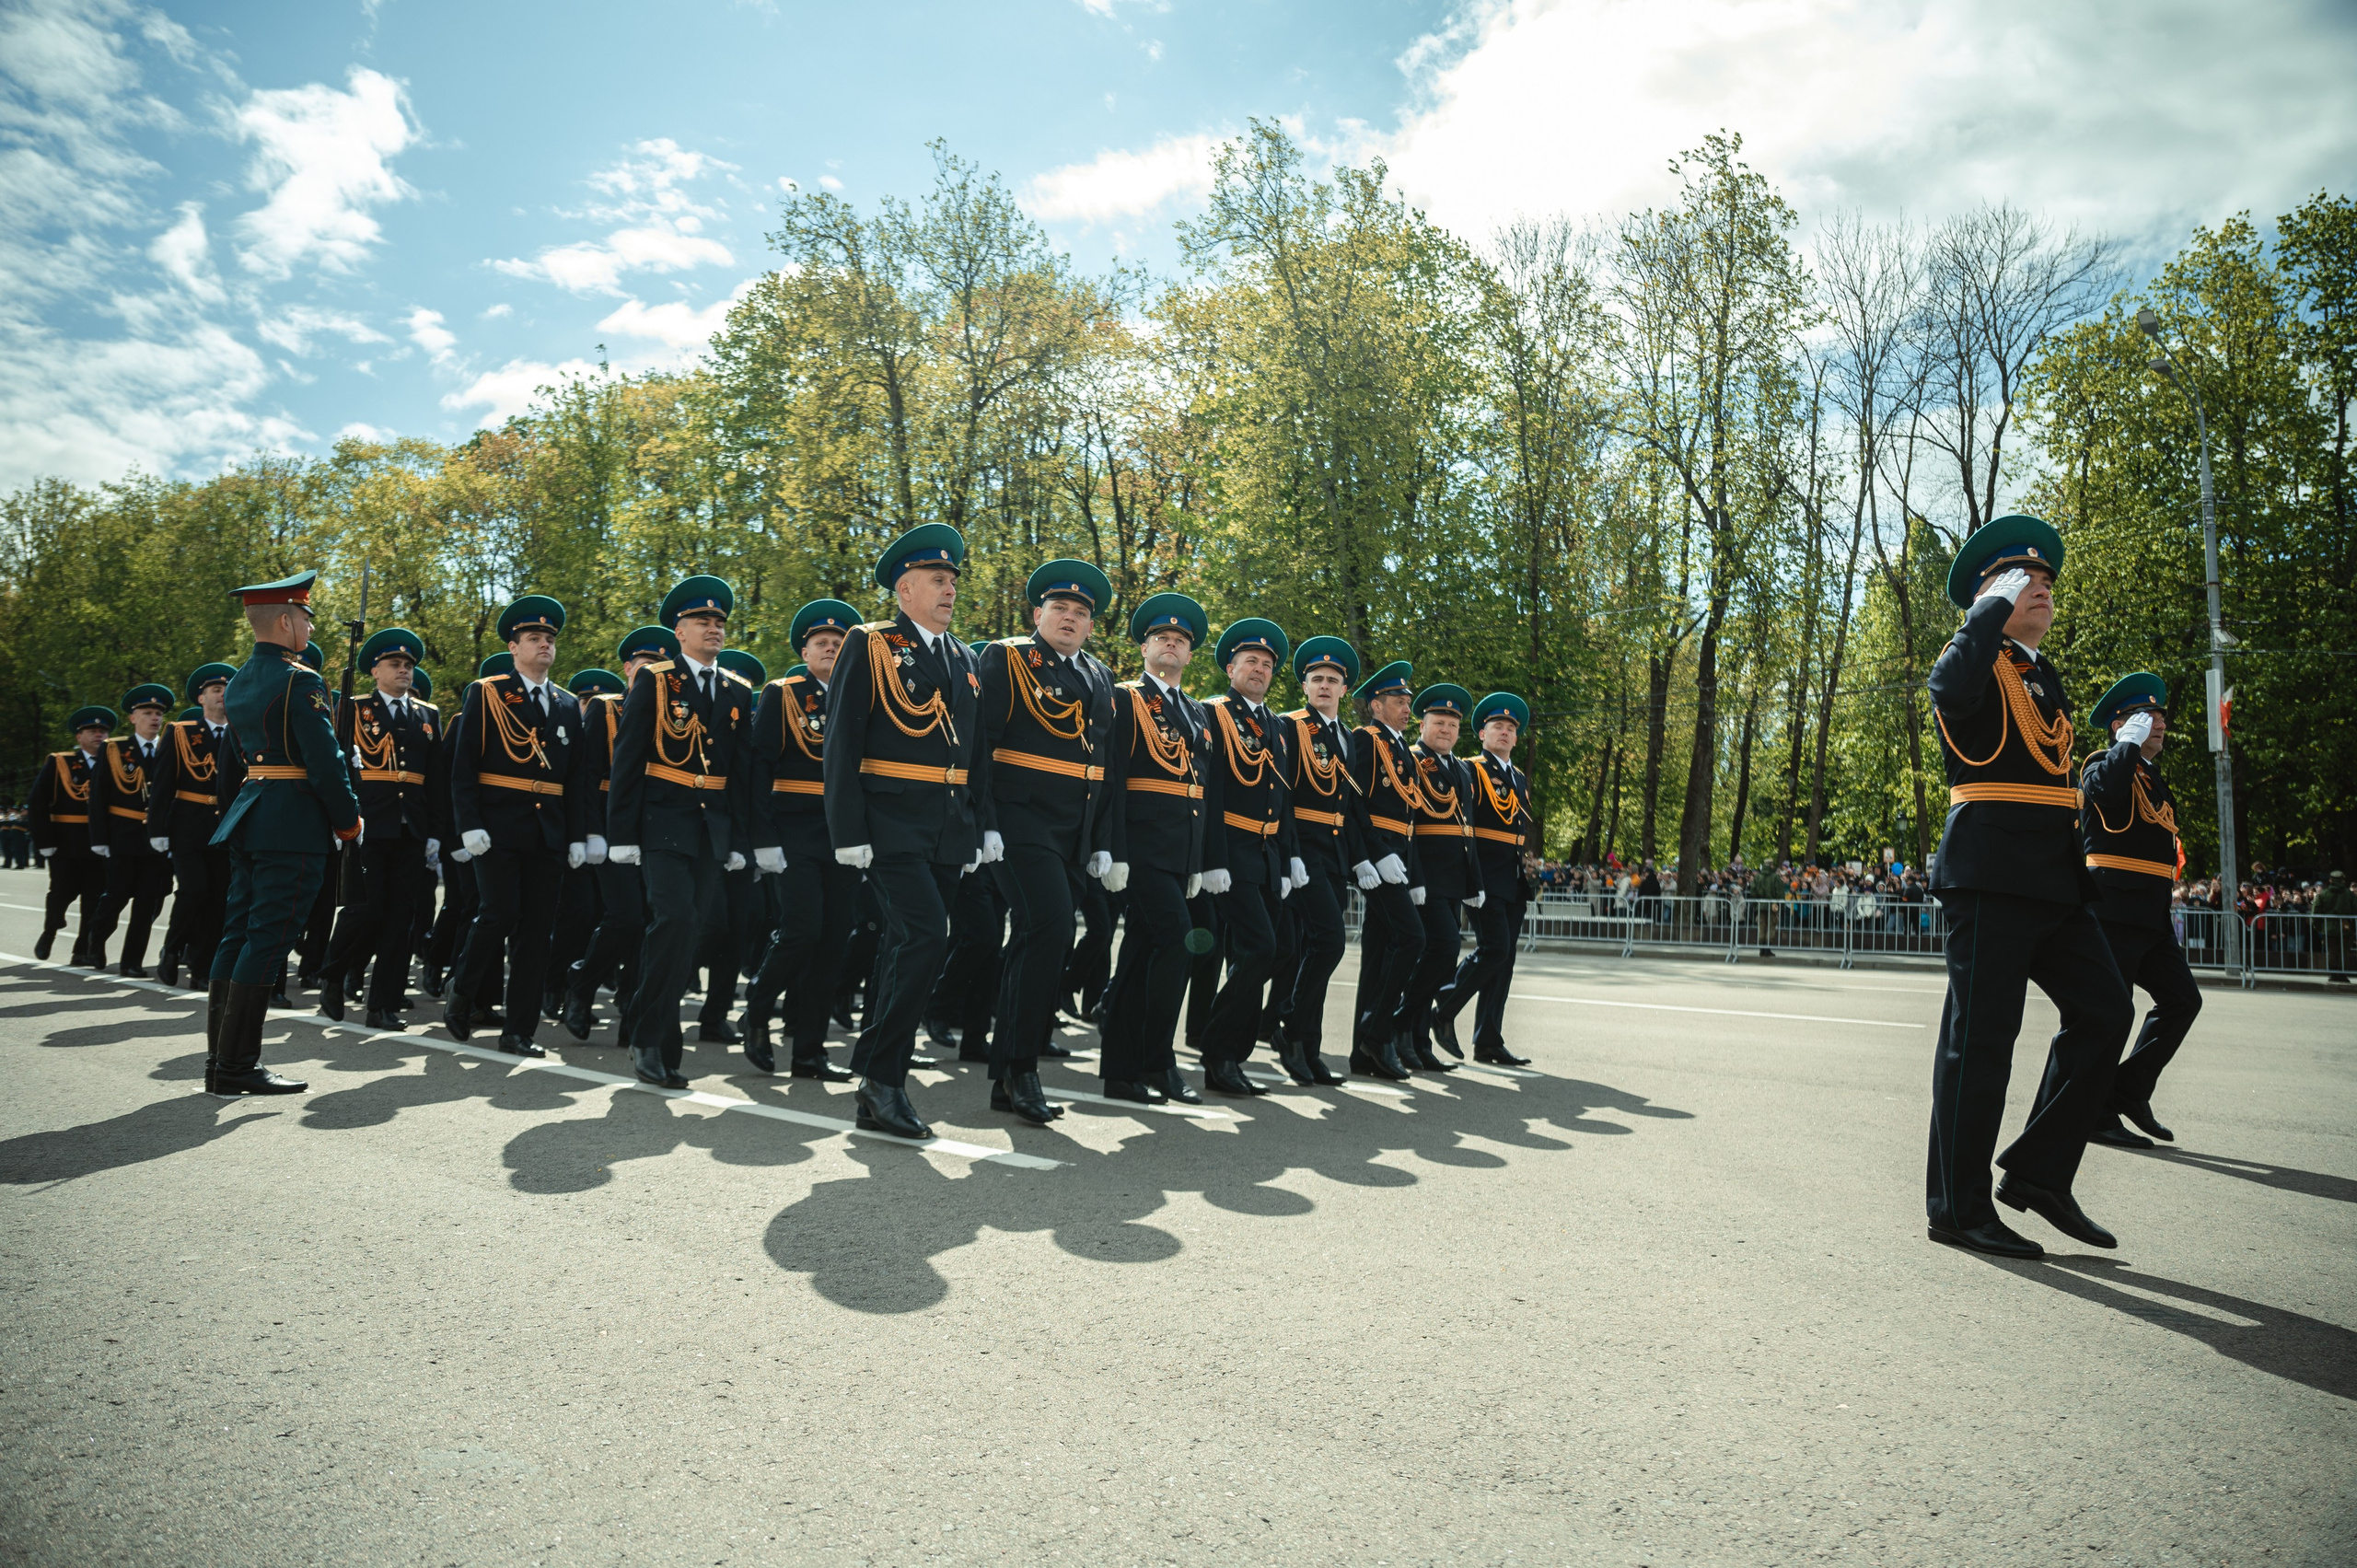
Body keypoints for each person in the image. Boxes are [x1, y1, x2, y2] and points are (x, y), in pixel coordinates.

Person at [1924, 515, 2131, 1260]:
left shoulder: (2040, 673)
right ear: (1989, 595)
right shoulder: (1971, 659)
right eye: (2024, 579)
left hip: (2051, 877)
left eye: (2045, 581)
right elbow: (1947, 688)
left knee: (2106, 1010)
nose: (2041, 586)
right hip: (1990, 874)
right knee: (1980, 1044)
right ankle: (1958, 1206)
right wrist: (1982, 614)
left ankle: (2040, 1174)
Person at [821, 525, 986, 1140]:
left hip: (945, 827)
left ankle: (873, 1072)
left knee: (904, 946)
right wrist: (847, 827)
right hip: (886, 822)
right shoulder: (871, 643)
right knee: (925, 934)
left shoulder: (965, 659)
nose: (949, 591)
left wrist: (976, 827)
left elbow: (976, 753)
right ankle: (885, 1079)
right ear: (906, 588)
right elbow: (842, 740)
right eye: (938, 581)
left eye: (952, 581)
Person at [207, 570, 365, 1097]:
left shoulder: (240, 681)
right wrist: (348, 819)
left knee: (237, 936)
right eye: (305, 619)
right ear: (283, 619)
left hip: (253, 814)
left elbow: (238, 757)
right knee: (269, 940)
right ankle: (237, 1067)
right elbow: (324, 761)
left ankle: (219, 1061)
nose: (310, 630)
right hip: (293, 823)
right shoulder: (301, 679)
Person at [607, 578, 769, 1088]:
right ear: (680, 631)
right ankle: (651, 1039)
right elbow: (629, 758)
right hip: (661, 820)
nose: (714, 629)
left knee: (688, 930)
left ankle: (654, 1034)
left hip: (710, 829)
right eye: (703, 622)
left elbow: (743, 777)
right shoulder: (655, 681)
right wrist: (622, 832)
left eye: (720, 623)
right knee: (673, 921)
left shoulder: (737, 690)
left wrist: (742, 842)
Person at [972, 561, 1117, 1123]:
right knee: (1049, 927)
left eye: (1081, 614)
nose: (1070, 619)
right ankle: (1021, 1068)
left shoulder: (1099, 677)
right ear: (1038, 615)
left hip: (1073, 832)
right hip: (1019, 822)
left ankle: (1008, 1072)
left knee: (1041, 940)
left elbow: (1100, 761)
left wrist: (1103, 839)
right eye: (1060, 609)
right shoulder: (1007, 657)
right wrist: (982, 821)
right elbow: (982, 743)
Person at [446, 597, 588, 1056]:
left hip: (548, 833)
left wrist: (579, 835)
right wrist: (467, 824)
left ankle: (519, 1031)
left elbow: (578, 779)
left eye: (549, 639)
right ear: (514, 646)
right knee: (499, 913)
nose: (544, 645)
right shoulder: (487, 692)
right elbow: (463, 766)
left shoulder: (567, 704)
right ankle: (463, 990)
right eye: (534, 639)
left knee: (536, 932)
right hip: (498, 827)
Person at [2079, 673, 2203, 1150]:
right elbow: (2105, 793)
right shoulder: (2102, 765)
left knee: (2183, 1001)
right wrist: (2123, 748)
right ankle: (2096, 1115)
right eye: (2145, 718)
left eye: (2161, 718)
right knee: (2114, 1013)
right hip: (2113, 912)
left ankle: (2128, 1091)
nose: (2160, 725)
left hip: (2150, 916)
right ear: (2119, 725)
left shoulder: (2154, 781)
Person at [1098, 593, 1212, 1106]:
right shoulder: (1124, 698)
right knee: (1177, 942)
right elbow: (1114, 777)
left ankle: (1123, 1070)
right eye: (1162, 637)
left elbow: (1198, 790)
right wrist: (1114, 849)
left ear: (1190, 656)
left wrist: (1195, 863)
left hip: (1175, 854)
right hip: (1139, 849)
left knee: (1143, 952)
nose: (1172, 643)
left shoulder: (1195, 712)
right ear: (1144, 648)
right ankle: (1156, 1060)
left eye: (1181, 640)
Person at [741, 600, 864, 1079]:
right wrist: (763, 837)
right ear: (805, 651)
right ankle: (757, 1006)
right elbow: (760, 768)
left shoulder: (862, 696)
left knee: (834, 940)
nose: (831, 649)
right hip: (793, 831)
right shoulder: (784, 693)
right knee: (802, 931)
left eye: (838, 644)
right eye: (821, 644)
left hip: (844, 835)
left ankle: (810, 1052)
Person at [319, 628, 443, 1028]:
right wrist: (339, 821)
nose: (404, 670)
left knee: (400, 920)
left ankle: (383, 1004)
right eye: (395, 664)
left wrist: (436, 832)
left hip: (411, 829)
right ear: (375, 670)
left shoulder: (427, 715)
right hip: (367, 825)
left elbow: (435, 778)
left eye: (409, 665)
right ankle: (333, 976)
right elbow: (336, 770)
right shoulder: (353, 709)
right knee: (362, 911)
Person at [1262, 635, 1368, 1086]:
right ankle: (1290, 1027)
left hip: (1334, 851)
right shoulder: (1291, 726)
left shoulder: (1347, 737)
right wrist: (1290, 854)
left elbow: (1353, 806)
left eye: (1333, 680)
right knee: (1329, 942)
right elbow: (1280, 795)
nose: (1325, 686)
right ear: (1305, 687)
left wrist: (1362, 858)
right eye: (1316, 679)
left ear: (1344, 690)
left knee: (1310, 947)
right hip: (1303, 849)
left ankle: (1304, 1040)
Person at [1195, 618, 1295, 1098]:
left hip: (1267, 855)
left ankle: (1231, 1056)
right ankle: (1217, 1051)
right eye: (1250, 661)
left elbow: (1284, 797)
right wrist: (1211, 856)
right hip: (1230, 852)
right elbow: (1208, 791)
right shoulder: (1214, 713)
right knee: (1260, 949)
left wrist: (1289, 858)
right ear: (1231, 668)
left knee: (1261, 953)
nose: (1259, 669)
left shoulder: (1275, 725)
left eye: (1267, 664)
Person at [563, 633, 668, 1045]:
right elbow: (586, 774)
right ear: (627, 669)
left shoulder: (672, 712)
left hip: (656, 825)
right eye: (642, 666)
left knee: (653, 920)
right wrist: (590, 831)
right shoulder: (608, 707)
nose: (649, 675)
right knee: (625, 915)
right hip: (610, 827)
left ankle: (631, 1006)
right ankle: (583, 981)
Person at [1432, 691, 1535, 1066]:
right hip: (1482, 874)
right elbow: (1465, 822)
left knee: (1503, 960)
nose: (1504, 733)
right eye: (1497, 726)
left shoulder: (1518, 777)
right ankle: (1445, 1002)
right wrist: (1468, 874)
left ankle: (1488, 1039)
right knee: (1494, 947)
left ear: (1517, 737)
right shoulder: (1472, 769)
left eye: (1510, 728)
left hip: (1511, 875)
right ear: (1482, 734)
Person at [1395, 684, 1480, 1073]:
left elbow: (1467, 830)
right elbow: (1408, 825)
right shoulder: (1412, 760)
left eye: (1452, 724)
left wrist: (1474, 881)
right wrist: (1413, 876)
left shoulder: (1460, 768)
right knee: (1444, 948)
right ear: (1422, 723)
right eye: (1438, 722)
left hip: (1452, 878)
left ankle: (1417, 1039)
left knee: (1441, 960)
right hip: (1424, 875)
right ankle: (1400, 1024)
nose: (1445, 729)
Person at [1346, 661, 1424, 1081]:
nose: (1406, 707)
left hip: (1397, 859)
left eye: (1408, 701)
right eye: (1398, 701)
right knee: (1412, 938)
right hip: (1378, 860)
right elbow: (1355, 803)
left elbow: (1409, 822)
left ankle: (1363, 1052)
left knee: (1377, 954)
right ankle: (1378, 1034)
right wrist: (1371, 856)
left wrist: (1413, 874)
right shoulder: (1367, 739)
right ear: (1376, 705)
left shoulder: (1400, 749)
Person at [146, 664, 243, 991]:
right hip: (187, 826)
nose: (223, 695)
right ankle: (172, 948)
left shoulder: (243, 732)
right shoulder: (181, 732)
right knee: (193, 890)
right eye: (216, 690)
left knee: (219, 900)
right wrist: (157, 829)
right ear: (201, 698)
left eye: (228, 689)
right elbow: (162, 785)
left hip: (226, 828)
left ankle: (202, 969)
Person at [695, 645, 772, 1045]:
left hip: (738, 835)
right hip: (703, 828)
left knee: (738, 928)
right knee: (708, 925)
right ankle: (651, 1000)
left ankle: (715, 1016)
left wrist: (752, 844)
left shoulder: (755, 718)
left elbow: (750, 786)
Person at [543, 668, 623, 1016]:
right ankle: (554, 986)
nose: (590, 707)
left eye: (596, 701)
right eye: (585, 701)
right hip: (576, 833)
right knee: (575, 914)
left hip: (616, 832)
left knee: (608, 915)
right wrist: (583, 834)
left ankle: (583, 986)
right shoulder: (564, 731)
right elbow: (578, 787)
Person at [86, 683, 177, 975]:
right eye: (148, 712)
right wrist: (99, 838)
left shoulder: (170, 747)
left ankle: (131, 962)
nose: (155, 718)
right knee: (116, 897)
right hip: (122, 835)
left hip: (156, 839)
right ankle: (95, 942)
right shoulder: (115, 748)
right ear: (133, 718)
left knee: (147, 903)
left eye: (158, 713)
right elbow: (98, 795)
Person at [28, 705, 114, 964]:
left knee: (94, 898)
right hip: (65, 842)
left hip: (99, 843)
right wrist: (44, 841)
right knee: (61, 893)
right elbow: (37, 802)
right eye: (91, 730)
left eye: (102, 731)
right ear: (79, 736)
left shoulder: (115, 764)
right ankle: (50, 931)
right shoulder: (60, 762)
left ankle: (83, 949)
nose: (98, 735)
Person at [2318, 869, 2355, 983]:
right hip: (2345, 926)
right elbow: (2355, 908)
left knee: (2332, 951)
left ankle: (2333, 974)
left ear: (2331, 880)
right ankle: (2342, 974)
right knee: (2344, 951)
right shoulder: (2348, 894)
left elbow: (2316, 912)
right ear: (2342, 880)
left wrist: (2320, 927)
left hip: (2328, 927)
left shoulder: (2324, 894)